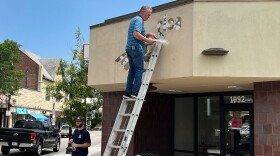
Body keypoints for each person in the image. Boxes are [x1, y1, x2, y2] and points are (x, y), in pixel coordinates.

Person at [124, 5, 157, 99]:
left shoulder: (134, 19)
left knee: (132, 70)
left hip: (130, 48)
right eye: (148, 15)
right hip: (136, 48)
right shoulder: (139, 20)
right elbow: (136, 34)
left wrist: (148, 35)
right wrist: (148, 40)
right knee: (139, 69)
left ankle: (128, 92)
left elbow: (137, 33)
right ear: (143, 12)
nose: (149, 17)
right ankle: (135, 92)